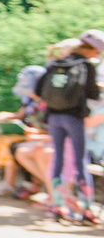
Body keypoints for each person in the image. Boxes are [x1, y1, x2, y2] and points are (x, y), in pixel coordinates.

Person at [36, 34, 103, 225]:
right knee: (80, 162)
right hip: (74, 118)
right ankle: (87, 209)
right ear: (92, 50)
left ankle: (57, 206)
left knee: (58, 159)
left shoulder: (56, 62)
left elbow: (39, 90)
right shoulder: (85, 65)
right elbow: (92, 93)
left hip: (53, 117)